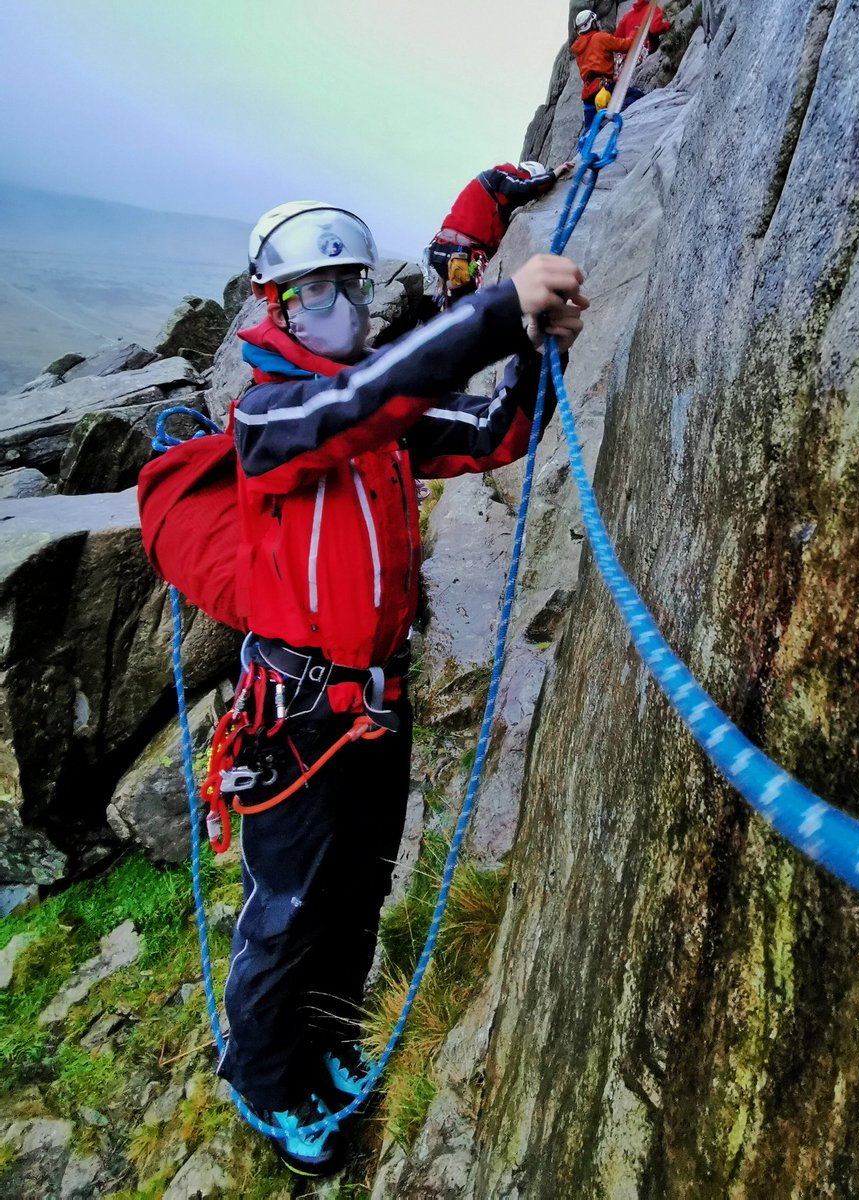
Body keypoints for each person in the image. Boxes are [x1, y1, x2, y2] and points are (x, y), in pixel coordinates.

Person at [219, 201, 587, 1176]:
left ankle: (327, 1048)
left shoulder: (378, 410)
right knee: (287, 914)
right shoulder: (271, 416)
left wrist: (531, 355)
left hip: (371, 708)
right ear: (274, 306)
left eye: (347, 285)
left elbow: (498, 433)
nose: (334, 304)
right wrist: (494, 314)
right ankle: (263, 1086)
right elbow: (350, 410)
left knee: (356, 895)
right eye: (313, 290)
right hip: (295, 721)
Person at [426, 160, 576, 308]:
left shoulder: (493, 205)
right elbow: (521, 188)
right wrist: (553, 174)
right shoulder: (496, 176)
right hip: (458, 253)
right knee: (465, 309)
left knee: (461, 307)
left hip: (447, 253)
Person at [570, 10, 643, 132]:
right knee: (636, 96)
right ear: (592, 24)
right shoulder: (600, 37)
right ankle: (614, 117)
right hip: (604, 86)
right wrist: (636, 31)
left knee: (590, 131)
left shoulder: (578, 49)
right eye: (595, 21)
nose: (597, 23)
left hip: (588, 94)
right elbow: (626, 45)